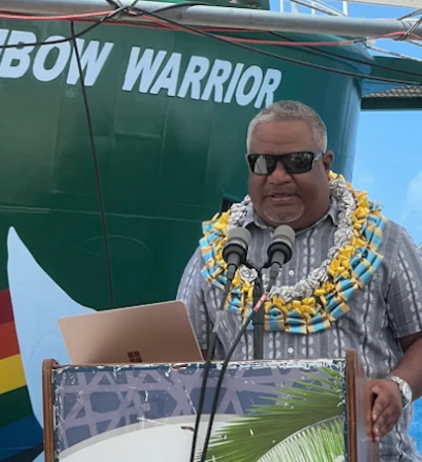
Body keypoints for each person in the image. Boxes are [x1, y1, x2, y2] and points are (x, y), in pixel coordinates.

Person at [176, 100, 422, 461]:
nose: (278, 176)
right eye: (262, 164)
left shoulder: (384, 243)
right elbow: (180, 360)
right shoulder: (217, 255)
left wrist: (397, 387)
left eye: (297, 162)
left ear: (325, 164)